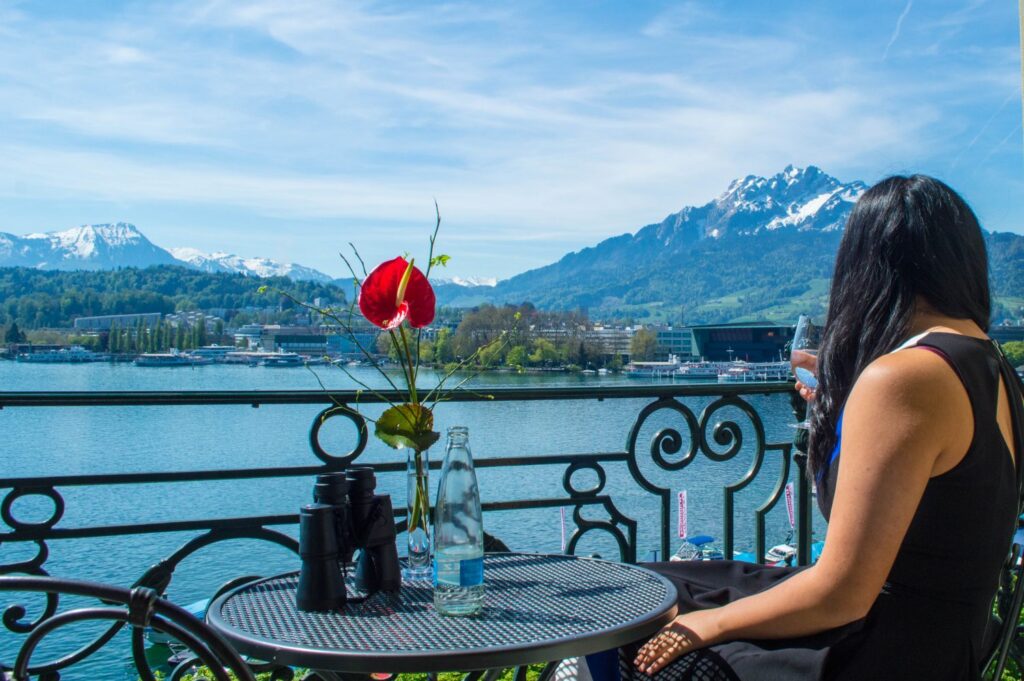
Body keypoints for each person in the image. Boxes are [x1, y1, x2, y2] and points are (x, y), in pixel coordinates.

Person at [623, 175, 1023, 680]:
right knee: (662, 583)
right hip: (947, 644)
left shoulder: (903, 379)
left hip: (882, 654)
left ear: (867, 268)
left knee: (635, 629)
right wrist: (843, 410)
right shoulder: (992, 367)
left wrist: (709, 626)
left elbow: (842, 595)